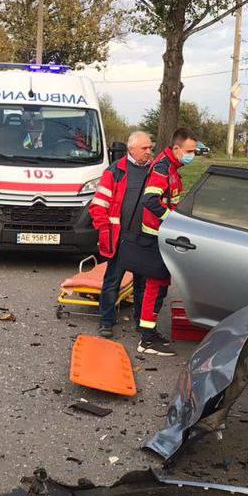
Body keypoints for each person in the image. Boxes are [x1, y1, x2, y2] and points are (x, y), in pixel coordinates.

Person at [127, 128, 198, 356]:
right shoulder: (162, 167)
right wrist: (173, 221)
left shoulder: (173, 167)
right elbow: (151, 200)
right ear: (176, 148)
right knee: (154, 286)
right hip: (155, 236)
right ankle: (146, 339)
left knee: (161, 286)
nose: (192, 155)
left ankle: (150, 331)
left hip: (163, 235)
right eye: (189, 151)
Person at [89, 130, 154, 339]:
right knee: (112, 282)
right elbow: (98, 206)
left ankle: (141, 323)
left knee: (142, 285)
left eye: (150, 148)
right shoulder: (115, 171)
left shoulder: (155, 171)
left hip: (144, 239)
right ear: (132, 149)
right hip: (120, 239)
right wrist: (104, 230)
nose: (148, 152)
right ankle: (106, 322)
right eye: (144, 148)